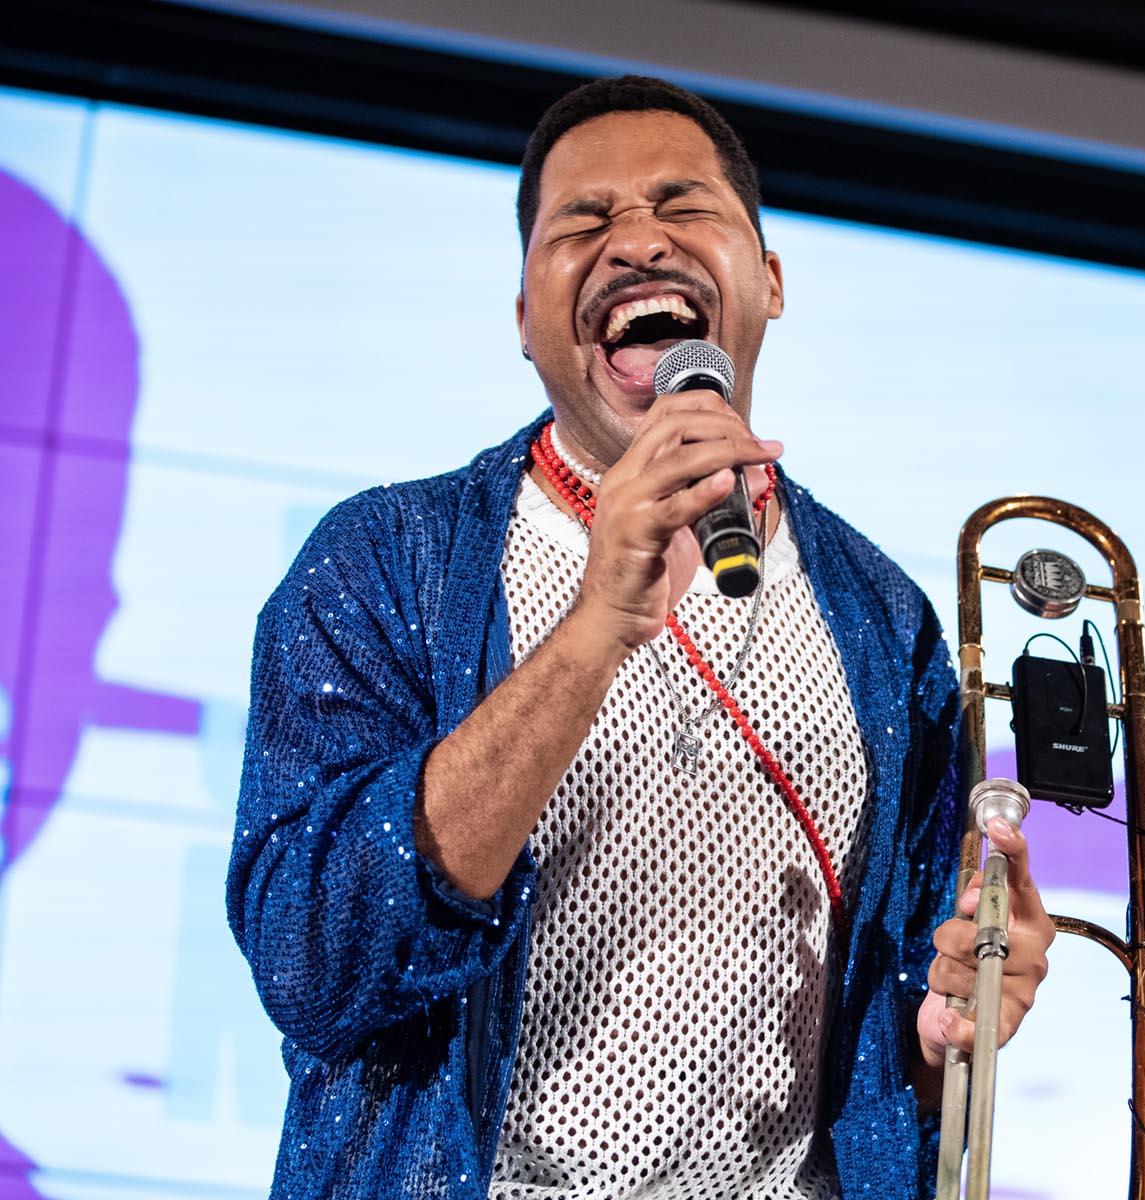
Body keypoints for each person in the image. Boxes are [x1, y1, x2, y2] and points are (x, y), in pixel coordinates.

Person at [227, 75, 1053, 1200]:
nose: (636, 242)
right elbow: (308, 959)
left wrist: (957, 1005)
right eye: (582, 220)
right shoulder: (384, 557)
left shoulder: (883, 619)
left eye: (682, 204)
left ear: (766, 281)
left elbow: (890, 1043)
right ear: (524, 315)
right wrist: (595, 631)